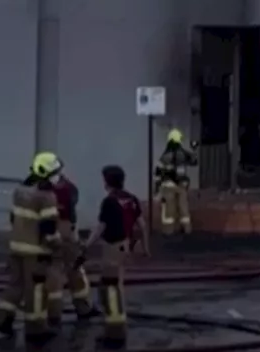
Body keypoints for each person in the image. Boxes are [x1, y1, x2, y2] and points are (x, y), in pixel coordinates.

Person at [0, 152, 64, 343]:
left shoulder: (20, 191)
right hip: (36, 252)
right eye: (56, 172)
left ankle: (2, 319)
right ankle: (35, 328)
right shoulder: (47, 196)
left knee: (15, 285)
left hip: (16, 247)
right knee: (35, 290)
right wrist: (58, 246)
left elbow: (13, 218)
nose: (58, 176)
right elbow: (48, 229)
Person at [85, 165, 148, 348]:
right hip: (125, 245)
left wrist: (87, 245)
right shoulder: (131, 199)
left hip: (113, 245)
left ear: (107, 181)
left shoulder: (110, 202)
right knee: (115, 284)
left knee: (110, 287)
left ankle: (115, 331)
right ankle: (114, 326)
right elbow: (142, 225)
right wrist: (145, 248)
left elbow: (101, 227)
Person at [48, 170, 93, 324]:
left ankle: (53, 313)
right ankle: (83, 307)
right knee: (74, 268)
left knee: (54, 269)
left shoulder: (43, 191)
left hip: (52, 230)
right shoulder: (69, 188)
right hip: (68, 230)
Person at [154, 129, 198, 235]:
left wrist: (156, 190)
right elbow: (194, 161)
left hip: (168, 185)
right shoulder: (183, 154)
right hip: (181, 185)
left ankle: (168, 231)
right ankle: (187, 229)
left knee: (169, 211)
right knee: (183, 208)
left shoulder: (165, 156)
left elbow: (158, 173)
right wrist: (194, 149)